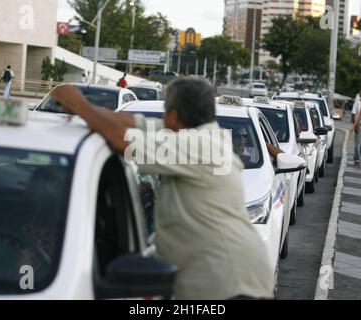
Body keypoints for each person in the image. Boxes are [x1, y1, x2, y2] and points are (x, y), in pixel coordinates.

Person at [50, 78, 275, 300]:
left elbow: (121, 140)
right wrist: (84, 110)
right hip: (223, 280)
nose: (162, 118)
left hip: (234, 287)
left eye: (165, 111)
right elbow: (129, 122)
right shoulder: (193, 134)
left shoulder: (200, 145)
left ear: (174, 115)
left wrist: (78, 102)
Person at [351, 94, 361, 166]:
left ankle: (357, 156)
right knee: (357, 143)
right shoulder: (357, 103)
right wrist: (355, 125)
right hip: (359, 124)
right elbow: (353, 114)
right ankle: (357, 158)